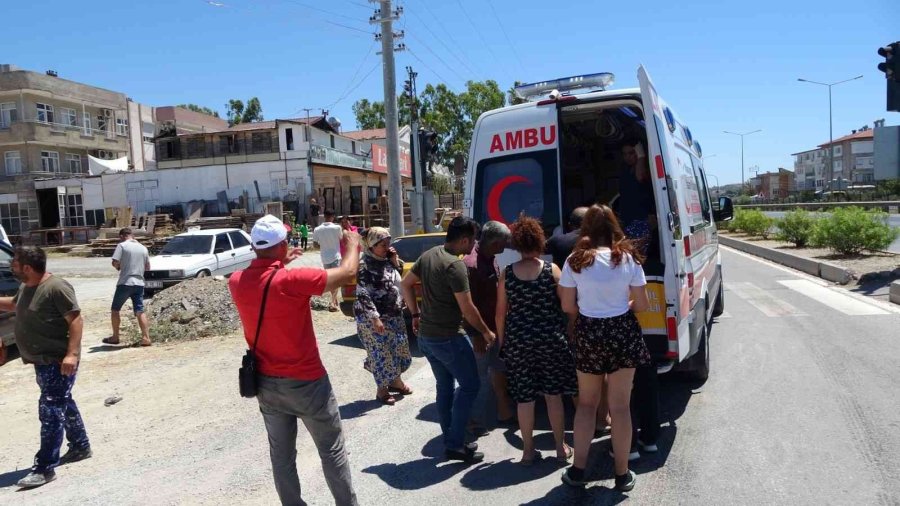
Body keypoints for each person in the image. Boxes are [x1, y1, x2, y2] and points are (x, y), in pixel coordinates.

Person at [229, 215, 360, 506]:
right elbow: (348, 272)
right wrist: (352, 244)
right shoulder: (293, 280)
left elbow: (265, 281)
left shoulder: (236, 282)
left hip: (266, 384)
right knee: (331, 450)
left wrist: (278, 262)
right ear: (282, 245)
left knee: (282, 456)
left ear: (254, 246)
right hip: (308, 383)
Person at [558, 204, 650, 492]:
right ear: (613, 227)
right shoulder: (628, 258)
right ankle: (622, 474)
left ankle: (578, 471)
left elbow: (567, 306)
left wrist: (592, 311)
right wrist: (623, 306)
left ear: (585, 228)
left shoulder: (575, 260)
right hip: (622, 331)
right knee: (620, 407)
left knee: (587, 404)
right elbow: (642, 304)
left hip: (589, 332)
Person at [400, 217, 495, 464]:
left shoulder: (430, 254)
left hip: (427, 338)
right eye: (473, 241)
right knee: (470, 386)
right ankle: (455, 444)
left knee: (444, 387)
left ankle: (452, 439)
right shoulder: (455, 265)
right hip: (448, 338)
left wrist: (415, 314)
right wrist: (486, 332)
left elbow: (405, 284)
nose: (474, 245)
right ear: (464, 240)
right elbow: (468, 308)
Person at [0, 246, 90, 489]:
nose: (11, 267)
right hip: (41, 361)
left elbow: (76, 320)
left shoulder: (56, 287)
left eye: (15, 263)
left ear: (27, 268)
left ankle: (44, 468)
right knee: (62, 402)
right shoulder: (27, 286)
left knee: (50, 410)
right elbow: (15, 305)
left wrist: (72, 354)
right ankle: (80, 446)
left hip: (58, 361)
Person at [496, 217, 578, 465]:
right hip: (550, 340)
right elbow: (567, 306)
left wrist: (504, 343)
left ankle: (528, 451)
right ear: (539, 240)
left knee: (525, 398)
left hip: (519, 342)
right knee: (554, 396)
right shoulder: (552, 270)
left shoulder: (507, 274)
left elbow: (500, 314)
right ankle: (561, 448)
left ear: (517, 244)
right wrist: (570, 330)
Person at [462, 220, 516, 435]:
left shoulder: (489, 257)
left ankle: (503, 411)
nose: (507, 246)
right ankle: (472, 421)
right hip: (481, 332)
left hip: (494, 328)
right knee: (478, 378)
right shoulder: (471, 265)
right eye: (504, 242)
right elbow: (467, 305)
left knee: (499, 368)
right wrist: (476, 334)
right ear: (494, 243)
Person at [353, 227, 412, 405]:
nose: (388, 247)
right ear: (372, 246)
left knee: (399, 349)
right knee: (381, 353)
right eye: (383, 245)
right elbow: (362, 294)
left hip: (394, 314)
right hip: (373, 319)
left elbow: (395, 280)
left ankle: (395, 381)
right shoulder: (364, 266)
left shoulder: (387, 260)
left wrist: (395, 262)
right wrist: (375, 318)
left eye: (388, 243)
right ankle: (382, 390)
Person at [103, 228, 151, 347]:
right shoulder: (143, 248)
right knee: (140, 310)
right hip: (139, 283)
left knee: (115, 309)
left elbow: (115, 262)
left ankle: (115, 337)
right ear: (132, 235)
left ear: (122, 236)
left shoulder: (122, 246)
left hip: (125, 282)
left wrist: (119, 267)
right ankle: (146, 338)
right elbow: (148, 267)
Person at [617, 141, 657, 254]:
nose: (627, 157)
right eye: (624, 154)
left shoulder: (643, 169)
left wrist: (641, 154)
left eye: (631, 153)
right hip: (627, 219)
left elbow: (640, 176)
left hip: (641, 219)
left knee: (636, 254)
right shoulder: (625, 170)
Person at [313, 209, 344, 312]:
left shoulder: (317, 229)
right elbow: (341, 239)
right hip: (335, 256)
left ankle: (334, 300)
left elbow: (315, 245)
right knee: (336, 280)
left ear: (324, 216)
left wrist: (323, 247)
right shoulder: (337, 228)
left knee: (330, 279)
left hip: (324, 257)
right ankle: (332, 303)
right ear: (333, 217)